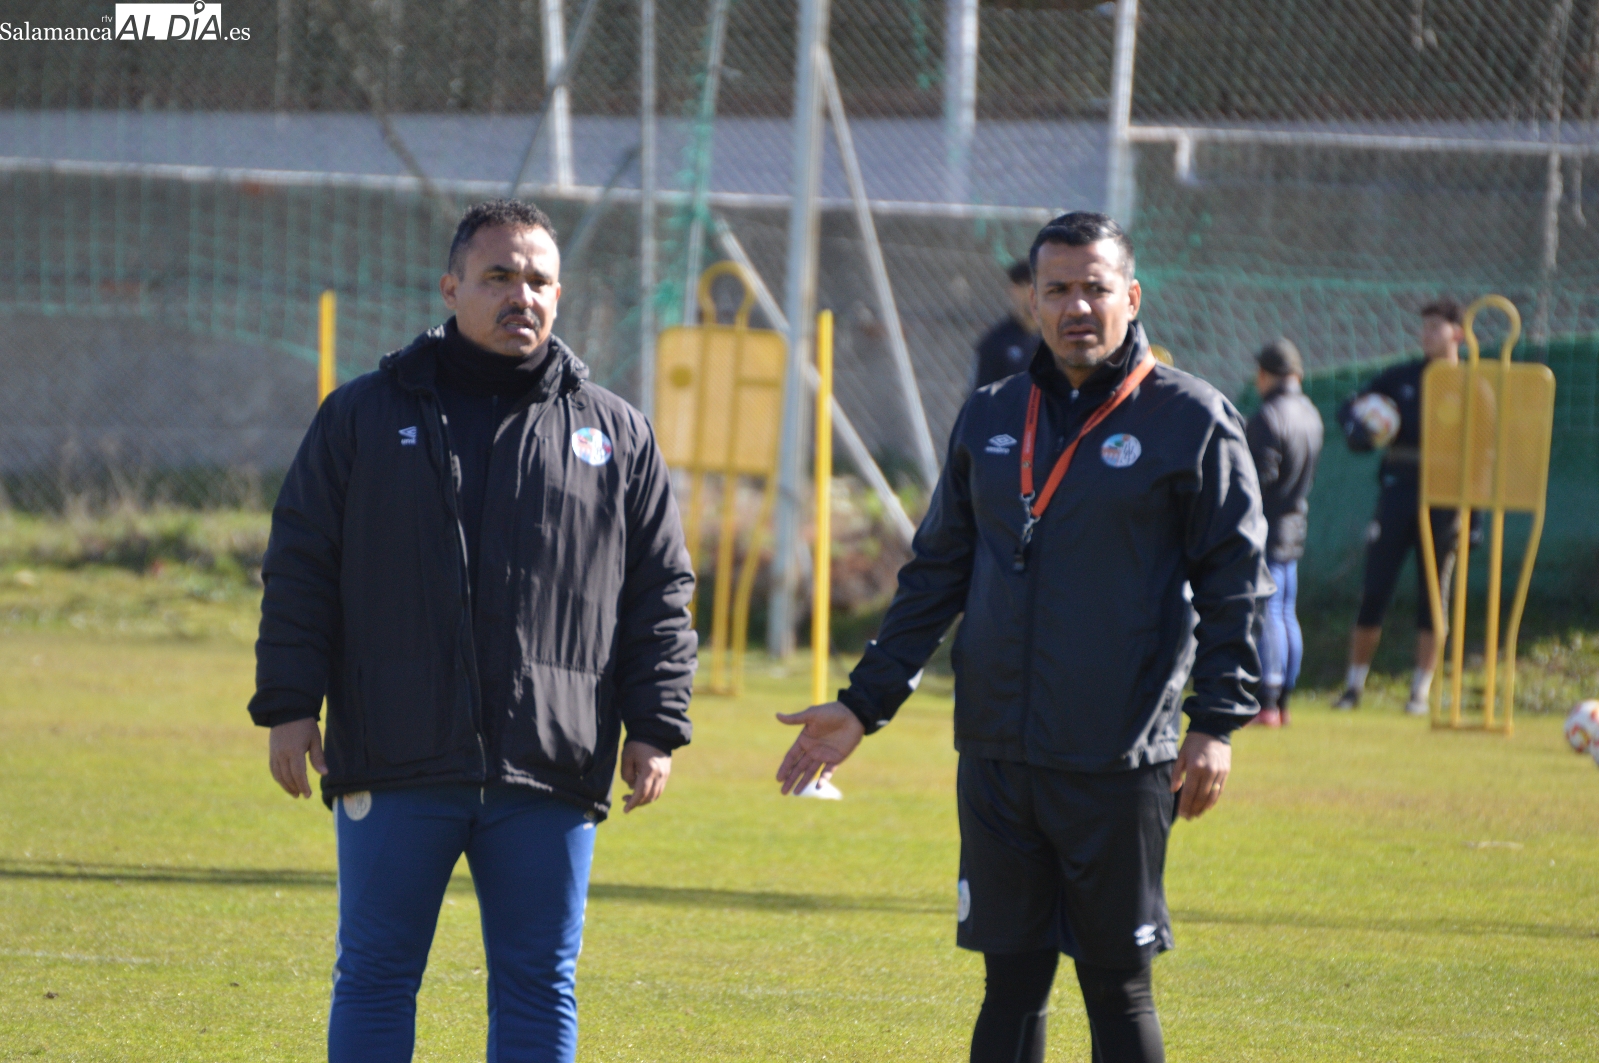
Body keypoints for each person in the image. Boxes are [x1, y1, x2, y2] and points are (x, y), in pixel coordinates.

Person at [775, 212, 1269, 1063]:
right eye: (1057, 290)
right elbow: (934, 577)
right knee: (1010, 985)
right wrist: (863, 705)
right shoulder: (992, 415)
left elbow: (1236, 584)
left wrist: (1215, 722)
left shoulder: (1191, 417)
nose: (1077, 306)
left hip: (1117, 758)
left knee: (1116, 984)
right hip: (999, 754)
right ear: (1031, 302)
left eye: (1094, 287)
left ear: (1130, 296)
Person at [249, 200, 696, 1063]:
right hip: (396, 749)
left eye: (536, 279)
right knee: (377, 974)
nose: (518, 294)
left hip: (550, 761)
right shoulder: (362, 416)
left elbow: (658, 590)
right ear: (452, 286)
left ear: (559, 294)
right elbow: (301, 564)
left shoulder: (616, 432)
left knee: (538, 982)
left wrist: (656, 724)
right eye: (497, 276)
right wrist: (289, 703)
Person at [1333, 300, 1467, 715]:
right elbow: (1349, 408)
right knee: (1375, 588)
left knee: (1434, 596)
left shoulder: (1470, 384)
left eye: (1435, 327)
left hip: (1446, 499)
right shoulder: (1402, 377)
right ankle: (1354, 687)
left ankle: (1419, 694)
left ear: (1456, 335)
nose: (1426, 335)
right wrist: (1359, 427)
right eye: (1423, 327)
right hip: (1398, 492)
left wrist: (1473, 516)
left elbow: (1484, 453)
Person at [1245, 338, 1324, 727]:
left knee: (1269, 609)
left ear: (1265, 374)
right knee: (1286, 609)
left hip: (1267, 525)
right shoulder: (1310, 412)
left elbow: (1259, 478)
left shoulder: (1269, 416)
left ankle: (1268, 699)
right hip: (1295, 522)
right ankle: (1286, 697)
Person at [971, 259, 1041, 390]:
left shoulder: (1058, 341)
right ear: (1015, 290)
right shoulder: (995, 344)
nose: (1036, 296)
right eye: (1030, 287)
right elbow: (979, 401)